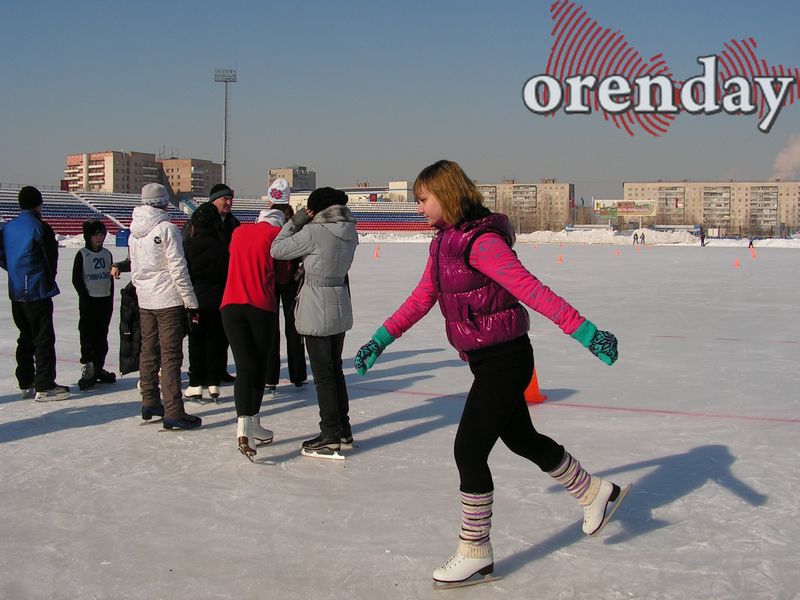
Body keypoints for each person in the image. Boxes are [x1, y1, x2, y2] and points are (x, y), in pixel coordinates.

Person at [353, 160, 627, 587]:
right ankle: (594, 493)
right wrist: (380, 339)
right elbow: (423, 297)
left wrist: (588, 333)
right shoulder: (443, 242)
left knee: (469, 450)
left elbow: (532, 291)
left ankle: (475, 551)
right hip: (487, 360)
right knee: (521, 438)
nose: (419, 208)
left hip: (506, 360)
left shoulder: (480, 243)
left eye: (423, 199)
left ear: (446, 193)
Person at [271, 187, 358, 459]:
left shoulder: (314, 232)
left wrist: (297, 221)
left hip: (316, 305)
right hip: (339, 302)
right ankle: (343, 429)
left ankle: (330, 434)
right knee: (335, 371)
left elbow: (277, 249)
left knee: (323, 376)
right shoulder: (350, 231)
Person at [129, 183, 201, 429]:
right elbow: (178, 268)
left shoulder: (134, 231)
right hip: (168, 300)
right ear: (163, 202)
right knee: (170, 355)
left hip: (146, 299)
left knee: (149, 349)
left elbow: (136, 270)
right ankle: (174, 411)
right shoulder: (167, 228)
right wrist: (190, 302)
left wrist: (141, 292)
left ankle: (149, 400)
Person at [220, 208, 285, 460]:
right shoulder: (276, 235)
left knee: (245, 366)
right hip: (260, 307)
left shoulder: (238, 232)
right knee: (256, 367)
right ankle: (245, 426)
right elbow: (282, 274)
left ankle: (252, 421)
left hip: (230, 305)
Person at [0, 186, 69, 401]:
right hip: (37, 290)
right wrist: (47, 278)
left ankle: (26, 381)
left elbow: (2, 256)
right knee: (43, 338)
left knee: (25, 336)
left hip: (16, 290)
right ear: (38, 204)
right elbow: (50, 258)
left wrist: (15, 271)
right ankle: (44, 384)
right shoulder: (40, 227)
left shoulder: (7, 227)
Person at [183, 201, 232, 401]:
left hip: (195, 299)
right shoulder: (223, 245)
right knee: (214, 341)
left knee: (196, 342)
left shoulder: (188, 244)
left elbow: (184, 271)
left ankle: (196, 382)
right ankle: (213, 382)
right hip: (218, 298)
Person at [264, 178, 307, 392]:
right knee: (294, 327)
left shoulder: (263, 220)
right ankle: (298, 374)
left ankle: (270, 376)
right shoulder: (296, 220)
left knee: (271, 328)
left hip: (271, 278)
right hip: (291, 278)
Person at [72, 220, 116, 390]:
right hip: (89, 301)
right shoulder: (82, 254)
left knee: (101, 335)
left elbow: (109, 279)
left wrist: (110, 299)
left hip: (104, 300)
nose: (99, 238)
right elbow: (77, 279)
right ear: (88, 236)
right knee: (87, 334)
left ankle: (98, 366)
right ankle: (89, 366)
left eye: (101, 234)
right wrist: (85, 297)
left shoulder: (107, 254)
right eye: (95, 235)